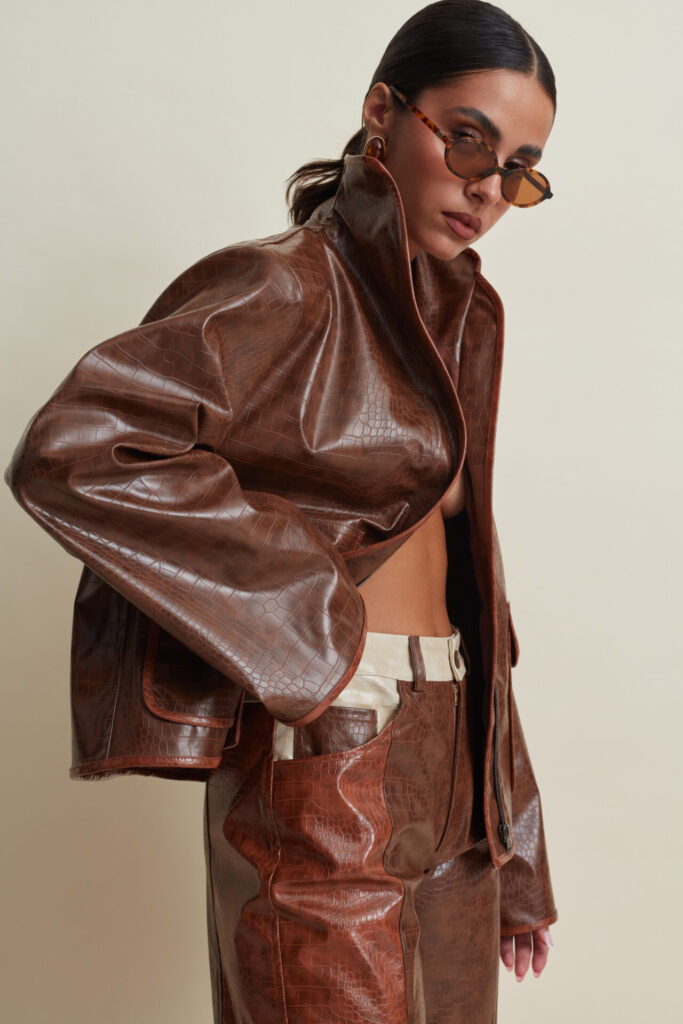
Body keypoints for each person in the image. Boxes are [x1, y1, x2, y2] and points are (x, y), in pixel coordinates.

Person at [4, 1, 560, 1021]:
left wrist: (513, 843)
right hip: (336, 737)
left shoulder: (460, 318)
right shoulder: (285, 286)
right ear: (382, 111)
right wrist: (313, 632)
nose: (487, 187)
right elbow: (77, 449)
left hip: (457, 759)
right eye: (466, 139)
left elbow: (475, 585)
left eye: (518, 168)